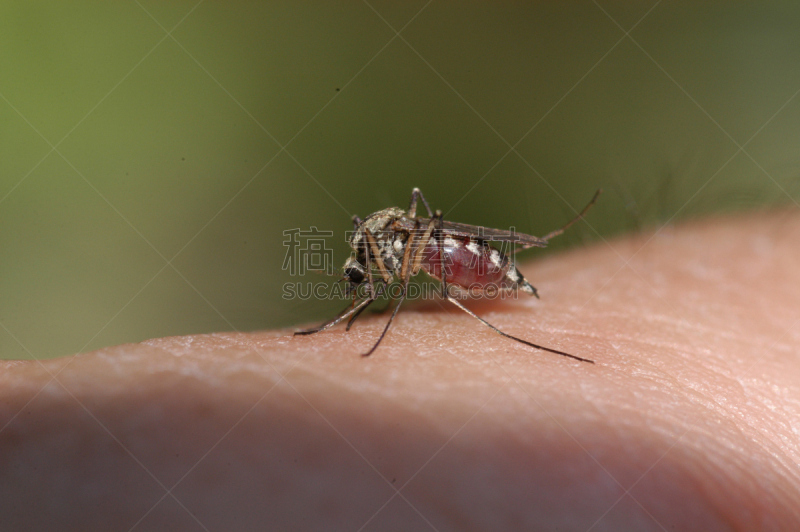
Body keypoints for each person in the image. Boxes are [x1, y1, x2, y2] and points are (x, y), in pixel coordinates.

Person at [2, 209, 799, 531]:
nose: (367, 280)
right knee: (419, 244)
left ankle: (524, 257)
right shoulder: (380, 252)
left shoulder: (395, 254)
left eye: (361, 287)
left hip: (456, 256)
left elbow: (412, 234)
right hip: (441, 250)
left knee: (424, 248)